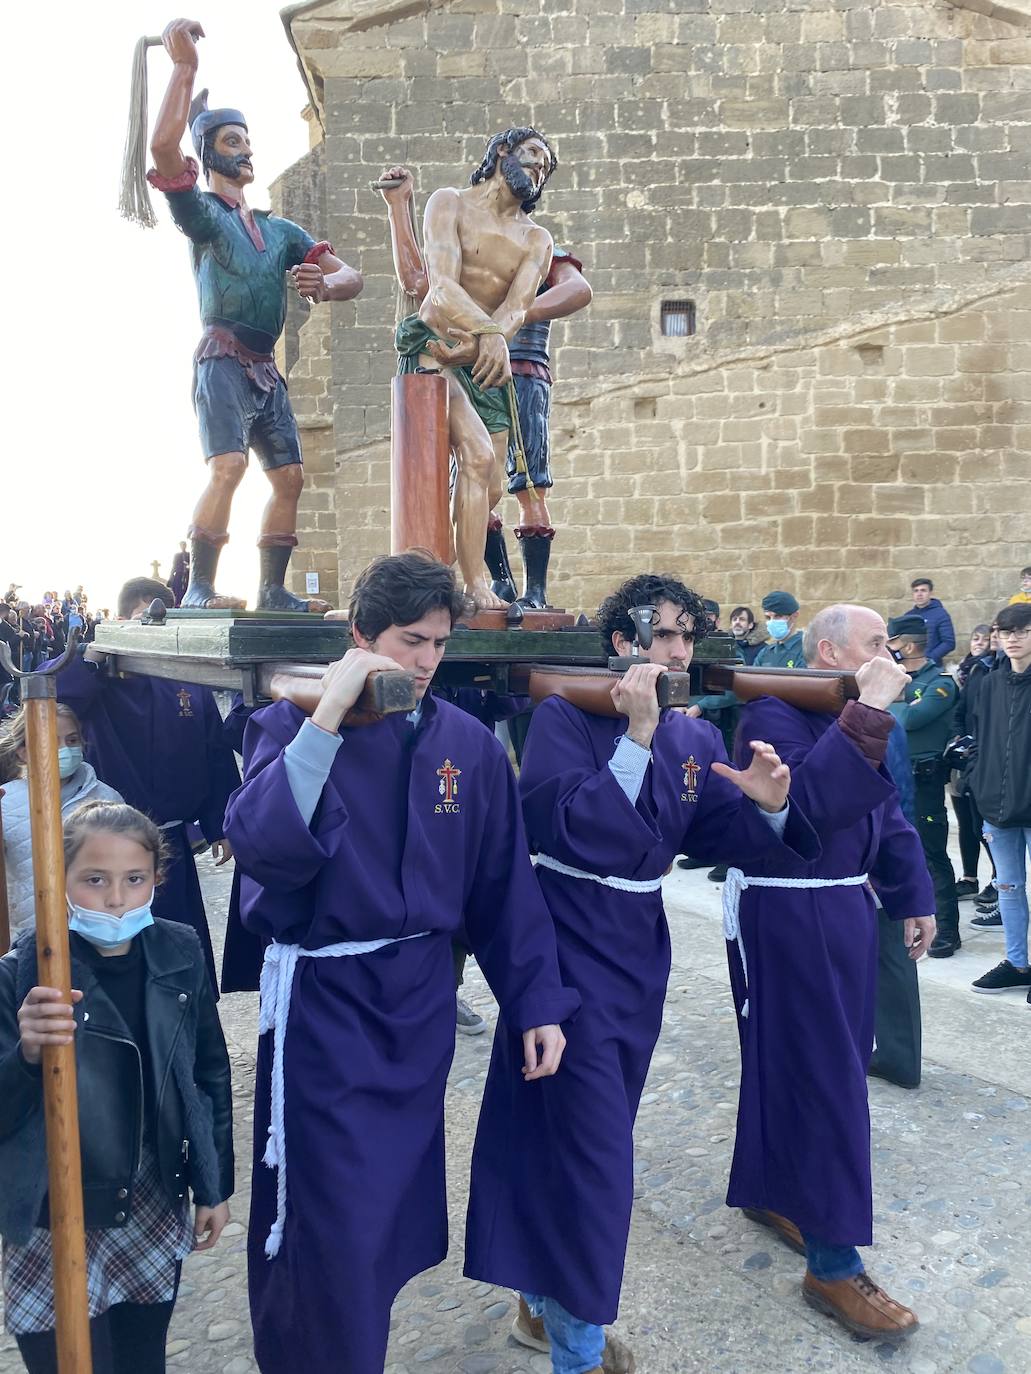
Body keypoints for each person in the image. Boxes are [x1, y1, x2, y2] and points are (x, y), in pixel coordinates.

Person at [224, 551, 578, 1374]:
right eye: (408, 641)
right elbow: (262, 849)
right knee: (328, 1222)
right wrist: (326, 723)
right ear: (359, 637)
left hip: (416, 1011)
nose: (423, 662)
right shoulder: (288, 725)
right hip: (328, 1008)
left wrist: (538, 1002)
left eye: (437, 645)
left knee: (381, 1220)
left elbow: (502, 888)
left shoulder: (468, 748)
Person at [465, 573, 820, 1374]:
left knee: (579, 1136)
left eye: (688, 637)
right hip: (562, 942)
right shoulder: (561, 717)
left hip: (637, 955)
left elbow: (711, 831)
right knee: (591, 1156)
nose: (679, 650)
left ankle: (540, 1298)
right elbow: (572, 826)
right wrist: (634, 738)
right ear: (621, 643)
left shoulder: (693, 736)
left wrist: (765, 805)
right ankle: (579, 1351)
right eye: (662, 636)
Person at [724, 604, 935, 1341]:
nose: (891, 656)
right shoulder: (769, 713)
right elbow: (808, 811)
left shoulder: (856, 711)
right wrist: (870, 710)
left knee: (812, 1068)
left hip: (844, 910)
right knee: (825, 1084)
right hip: (789, 914)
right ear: (826, 649)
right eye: (875, 644)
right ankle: (834, 1266)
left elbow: (887, 813)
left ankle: (772, 1191)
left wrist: (912, 893)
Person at [0, 802, 233, 1374]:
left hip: (151, 1196)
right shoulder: (24, 975)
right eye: (95, 880)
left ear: (157, 876)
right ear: (61, 880)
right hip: (54, 1213)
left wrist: (214, 1182)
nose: (115, 898)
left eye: (133, 879)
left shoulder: (179, 950)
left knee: (139, 1359)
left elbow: (208, 1071)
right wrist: (28, 1055)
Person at [146, 18, 363, 611]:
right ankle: (198, 586)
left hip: (266, 367)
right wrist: (184, 70)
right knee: (228, 466)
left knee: (290, 476)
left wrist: (329, 283)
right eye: (233, 141)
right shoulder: (206, 218)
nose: (246, 150)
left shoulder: (279, 228)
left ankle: (272, 588)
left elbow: (352, 275)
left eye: (246, 140)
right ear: (210, 151)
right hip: (222, 356)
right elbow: (163, 150)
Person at [380, 164, 592, 609]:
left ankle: (511, 587)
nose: (537, 166)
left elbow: (574, 290)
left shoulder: (539, 242)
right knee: (467, 468)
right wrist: (400, 208)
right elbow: (425, 285)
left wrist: (504, 326)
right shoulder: (452, 205)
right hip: (453, 351)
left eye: (545, 163)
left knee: (509, 487)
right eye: (529, 154)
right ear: (500, 156)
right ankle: (476, 582)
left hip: (515, 369)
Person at [51, 577, 241, 992]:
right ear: (122, 620)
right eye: (142, 621)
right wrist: (92, 659)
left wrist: (221, 823)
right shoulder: (98, 677)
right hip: (110, 846)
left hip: (172, 848)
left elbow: (213, 753)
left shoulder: (184, 678)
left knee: (181, 958)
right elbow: (52, 702)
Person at [0, 704, 124, 935]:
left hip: (95, 934)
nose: (65, 749)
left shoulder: (107, 798)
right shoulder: (6, 802)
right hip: (26, 936)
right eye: (52, 741)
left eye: (72, 740)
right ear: (23, 752)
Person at [886, 614, 961, 958]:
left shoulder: (940, 682)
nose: (889, 649)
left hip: (925, 780)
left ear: (909, 645)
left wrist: (890, 700)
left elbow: (912, 718)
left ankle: (947, 928)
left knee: (931, 854)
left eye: (893, 643)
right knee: (896, 850)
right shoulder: (899, 679)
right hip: (892, 777)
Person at [966, 602, 1031, 1002]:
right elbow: (977, 735)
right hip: (998, 805)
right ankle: (1017, 963)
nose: (1013, 638)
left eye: (1022, 631)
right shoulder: (988, 682)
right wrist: (979, 779)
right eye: (1006, 632)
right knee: (1008, 888)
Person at [950, 625, 993, 900]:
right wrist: (958, 739)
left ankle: (999, 880)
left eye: (986, 639)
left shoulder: (993, 672)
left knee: (982, 825)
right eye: (975, 638)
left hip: (983, 757)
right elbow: (961, 709)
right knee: (965, 821)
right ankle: (969, 877)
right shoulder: (972, 669)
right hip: (963, 756)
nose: (980, 643)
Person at [904, 578, 955, 665]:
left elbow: (949, 643)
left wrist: (929, 659)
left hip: (931, 666)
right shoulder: (907, 616)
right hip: (910, 666)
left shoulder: (941, 614)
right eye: (916, 591)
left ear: (930, 593)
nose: (919, 594)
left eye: (923, 590)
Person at [753, 591, 805, 668]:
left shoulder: (807, 650)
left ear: (794, 616)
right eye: (768, 617)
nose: (772, 621)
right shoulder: (765, 653)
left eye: (778, 616)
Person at [168, 542, 190, 607]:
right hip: (179, 574)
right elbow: (174, 566)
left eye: (184, 545)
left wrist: (187, 567)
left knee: (186, 589)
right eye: (181, 545)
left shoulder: (189, 555)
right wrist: (171, 577)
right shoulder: (177, 555)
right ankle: (177, 603)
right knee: (177, 589)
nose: (183, 546)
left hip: (187, 575)